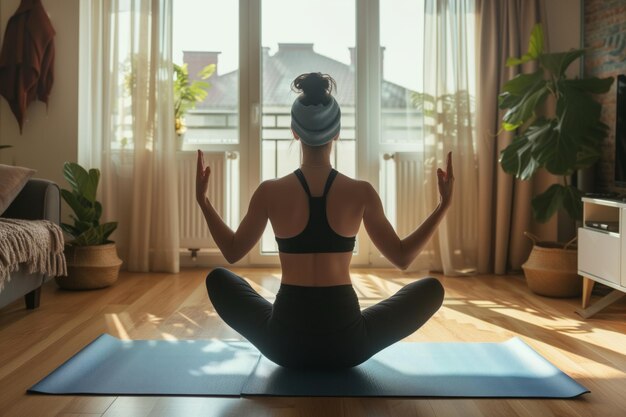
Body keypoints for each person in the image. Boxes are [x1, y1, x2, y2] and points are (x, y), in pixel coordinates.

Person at [196, 72, 454, 370]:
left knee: (218, 278)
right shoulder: (361, 192)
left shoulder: (270, 191)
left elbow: (231, 251)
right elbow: (402, 257)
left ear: (294, 131)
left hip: (284, 345)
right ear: (337, 132)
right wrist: (442, 206)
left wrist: (203, 202)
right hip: (348, 346)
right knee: (431, 289)